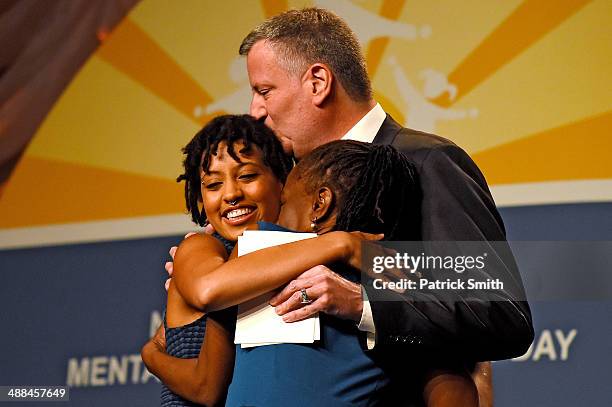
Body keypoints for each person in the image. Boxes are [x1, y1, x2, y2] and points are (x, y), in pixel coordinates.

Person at [236, 7, 532, 406]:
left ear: (319, 82)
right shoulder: (287, 187)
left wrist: (364, 306)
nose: (255, 110)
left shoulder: (427, 161)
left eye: (264, 90)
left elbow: (499, 314)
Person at [145, 133, 480, 406]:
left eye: (286, 202)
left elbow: (209, 293)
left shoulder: (260, 246)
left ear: (320, 204)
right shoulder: (399, 281)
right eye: (213, 184)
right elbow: (453, 381)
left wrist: (150, 353)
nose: (232, 194)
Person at [153, 114, 293, 406]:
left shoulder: (287, 251)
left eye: (247, 176)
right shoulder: (199, 247)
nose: (231, 193)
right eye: (213, 185)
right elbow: (208, 389)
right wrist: (341, 245)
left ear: (281, 180)